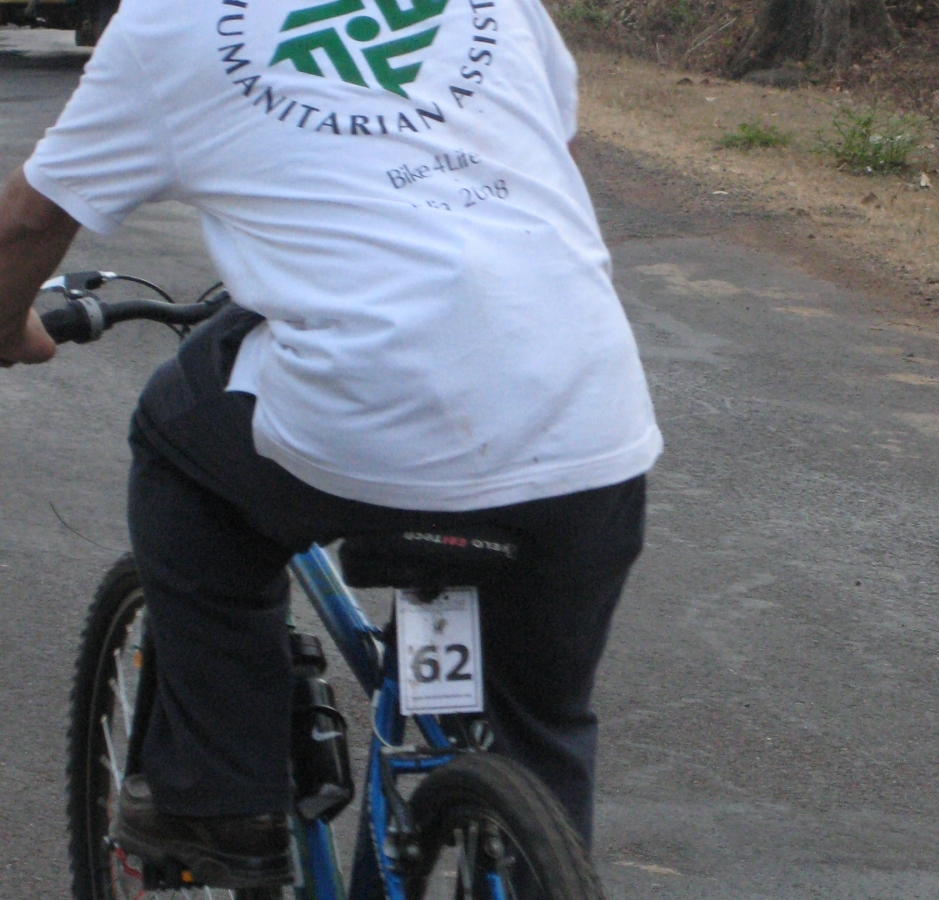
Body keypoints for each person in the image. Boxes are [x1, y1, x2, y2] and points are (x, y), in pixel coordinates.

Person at [0, 0, 662, 888]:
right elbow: (554, 159)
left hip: (370, 421)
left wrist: (10, 326)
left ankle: (220, 798)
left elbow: (26, 223)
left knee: (175, 435)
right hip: (587, 416)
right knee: (539, 723)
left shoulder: (173, 22)